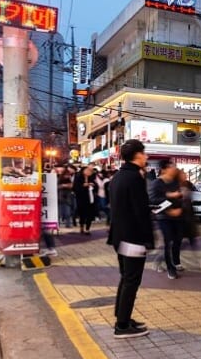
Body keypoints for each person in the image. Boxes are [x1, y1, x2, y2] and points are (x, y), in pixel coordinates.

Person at [106, 141, 153, 338]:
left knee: (126, 279)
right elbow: (140, 212)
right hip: (133, 237)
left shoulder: (118, 177)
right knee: (131, 281)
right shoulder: (134, 178)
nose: (147, 157)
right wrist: (148, 239)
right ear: (137, 155)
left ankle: (123, 318)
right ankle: (122, 326)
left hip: (119, 236)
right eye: (144, 153)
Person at [149, 160, 186, 279]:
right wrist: (168, 197)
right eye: (171, 166)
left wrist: (179, 206)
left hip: (178, 217)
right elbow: (153, 200)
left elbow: (180, 197)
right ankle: (171, 268)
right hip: (164, 217)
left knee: (178, 241)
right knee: (168, 242)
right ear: (164, 169)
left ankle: (176, 262)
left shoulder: (175, 182)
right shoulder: (156, 183)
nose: (173, 168)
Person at [74, 166, 99, 235]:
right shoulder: (78, 178)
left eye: (90, 171)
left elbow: (96, 187)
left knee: (90, 214)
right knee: (82, 214)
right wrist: (83, 186)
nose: (89, 172)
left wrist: (93, 185)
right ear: (83, 171)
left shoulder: (92, 178)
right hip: (81, 199)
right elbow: (76, 188)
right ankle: (81, 227)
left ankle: (87, 229)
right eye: (87, 170)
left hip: (91, 199)